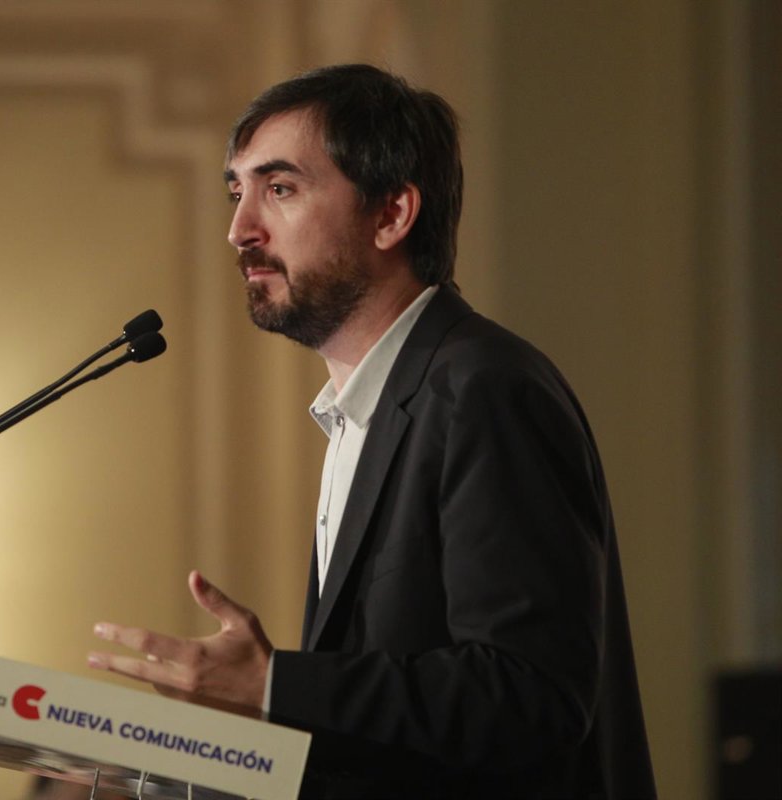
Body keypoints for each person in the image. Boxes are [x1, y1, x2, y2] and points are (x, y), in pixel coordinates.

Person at [87, 64, 656, 798]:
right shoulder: (365, 412)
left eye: (279, 188)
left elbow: (529, 697)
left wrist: (276, 685)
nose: (239, 229)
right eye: (237, 192)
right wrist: (259, 722)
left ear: (391, 215)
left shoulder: (484, 389)